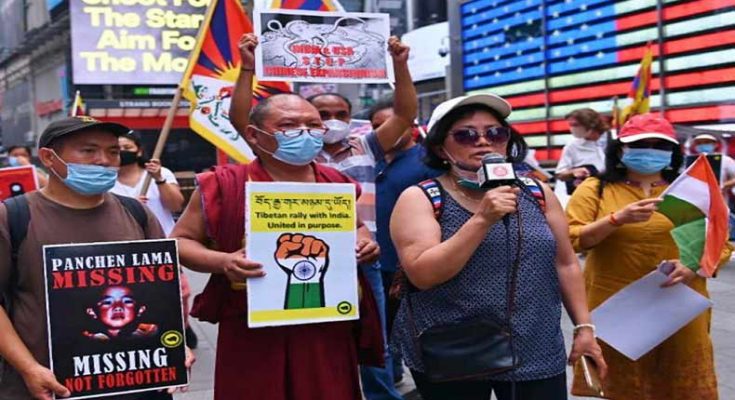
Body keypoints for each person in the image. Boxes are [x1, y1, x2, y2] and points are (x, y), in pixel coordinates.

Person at [171, 34, 384, 400]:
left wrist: (366, 243)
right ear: (254, 136)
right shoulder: (227, 183)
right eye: (288, 127)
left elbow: (357, 229)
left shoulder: (334, 180)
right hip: (253, 322)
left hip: (326, 320)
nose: (306, 133)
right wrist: (223, 261)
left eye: (313, 126)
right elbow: (179, 242)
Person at [389, 94, 606, 400]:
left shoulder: (536, 191)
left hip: (535, 343)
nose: (483, 142)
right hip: (454, 348)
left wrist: (584, 327)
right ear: (441, 147)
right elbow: (424, 274)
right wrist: (482, 219)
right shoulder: (421, 198)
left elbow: (566, 263)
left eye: (495, 133)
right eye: (465, 135)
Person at [0, 116, 193, 400]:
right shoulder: (14, 217)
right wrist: (29, 368)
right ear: (48, 158)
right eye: (88, 150)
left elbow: (160, 293)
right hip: (50, 387)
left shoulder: (137, 214)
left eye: (113, 151)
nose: (104, 160)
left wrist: (175, 346)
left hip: (138, 382)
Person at [566, 114, 731, 399]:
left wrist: (694, 266)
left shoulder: (692, 191)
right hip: (618, 308)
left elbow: (720, 242)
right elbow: (572, 240)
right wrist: (615, 219)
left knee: (682, 387)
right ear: (620, 150)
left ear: (672, 153)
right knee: (623, 387)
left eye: (659, 145)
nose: (650, 151)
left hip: (679, 308)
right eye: (642, 144)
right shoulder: (596, 189)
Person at [302, 37, 415, 399]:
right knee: (317, 341)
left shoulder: (366, 145)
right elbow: (242, 121)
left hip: (364, 257)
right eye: (323, 115)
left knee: (375, 341)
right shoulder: (293, 152)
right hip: (307, 256)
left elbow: (404, 115)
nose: (333, 121)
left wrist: (399, 65)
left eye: (341, 115)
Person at [367, 96, 443, 385]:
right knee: (382, 327)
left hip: (414, 263)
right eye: (377, 126)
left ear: (410, 125)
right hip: (376, 259)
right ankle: (393, 376)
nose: (384, 130)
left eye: (390, 122)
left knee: (415, 327)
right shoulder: (370, 161)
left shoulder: (428, 161)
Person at [111, 131, 184, 235]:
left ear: (139, 151)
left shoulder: (162, 173)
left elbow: (176, 206)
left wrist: (159, 179)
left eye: (127, 148)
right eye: (117, 149)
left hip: (164, 239)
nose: (122, 152)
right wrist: (131, 206)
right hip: (127, 241)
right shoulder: (104, 181)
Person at [555, 108, 609, 194]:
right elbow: (560, 174)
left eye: (576, 125)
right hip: (589, 193)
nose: (572, 129)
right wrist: (573, 172)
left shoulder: (613, 139)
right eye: (570, 125)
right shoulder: (572, 145)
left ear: (590, 125)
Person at [84, 286, 158, 341]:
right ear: (92, 312)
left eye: (127, 301)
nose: (118, 307)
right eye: (107, 302)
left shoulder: (150, 335)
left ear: (140, 310)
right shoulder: (86, 339)